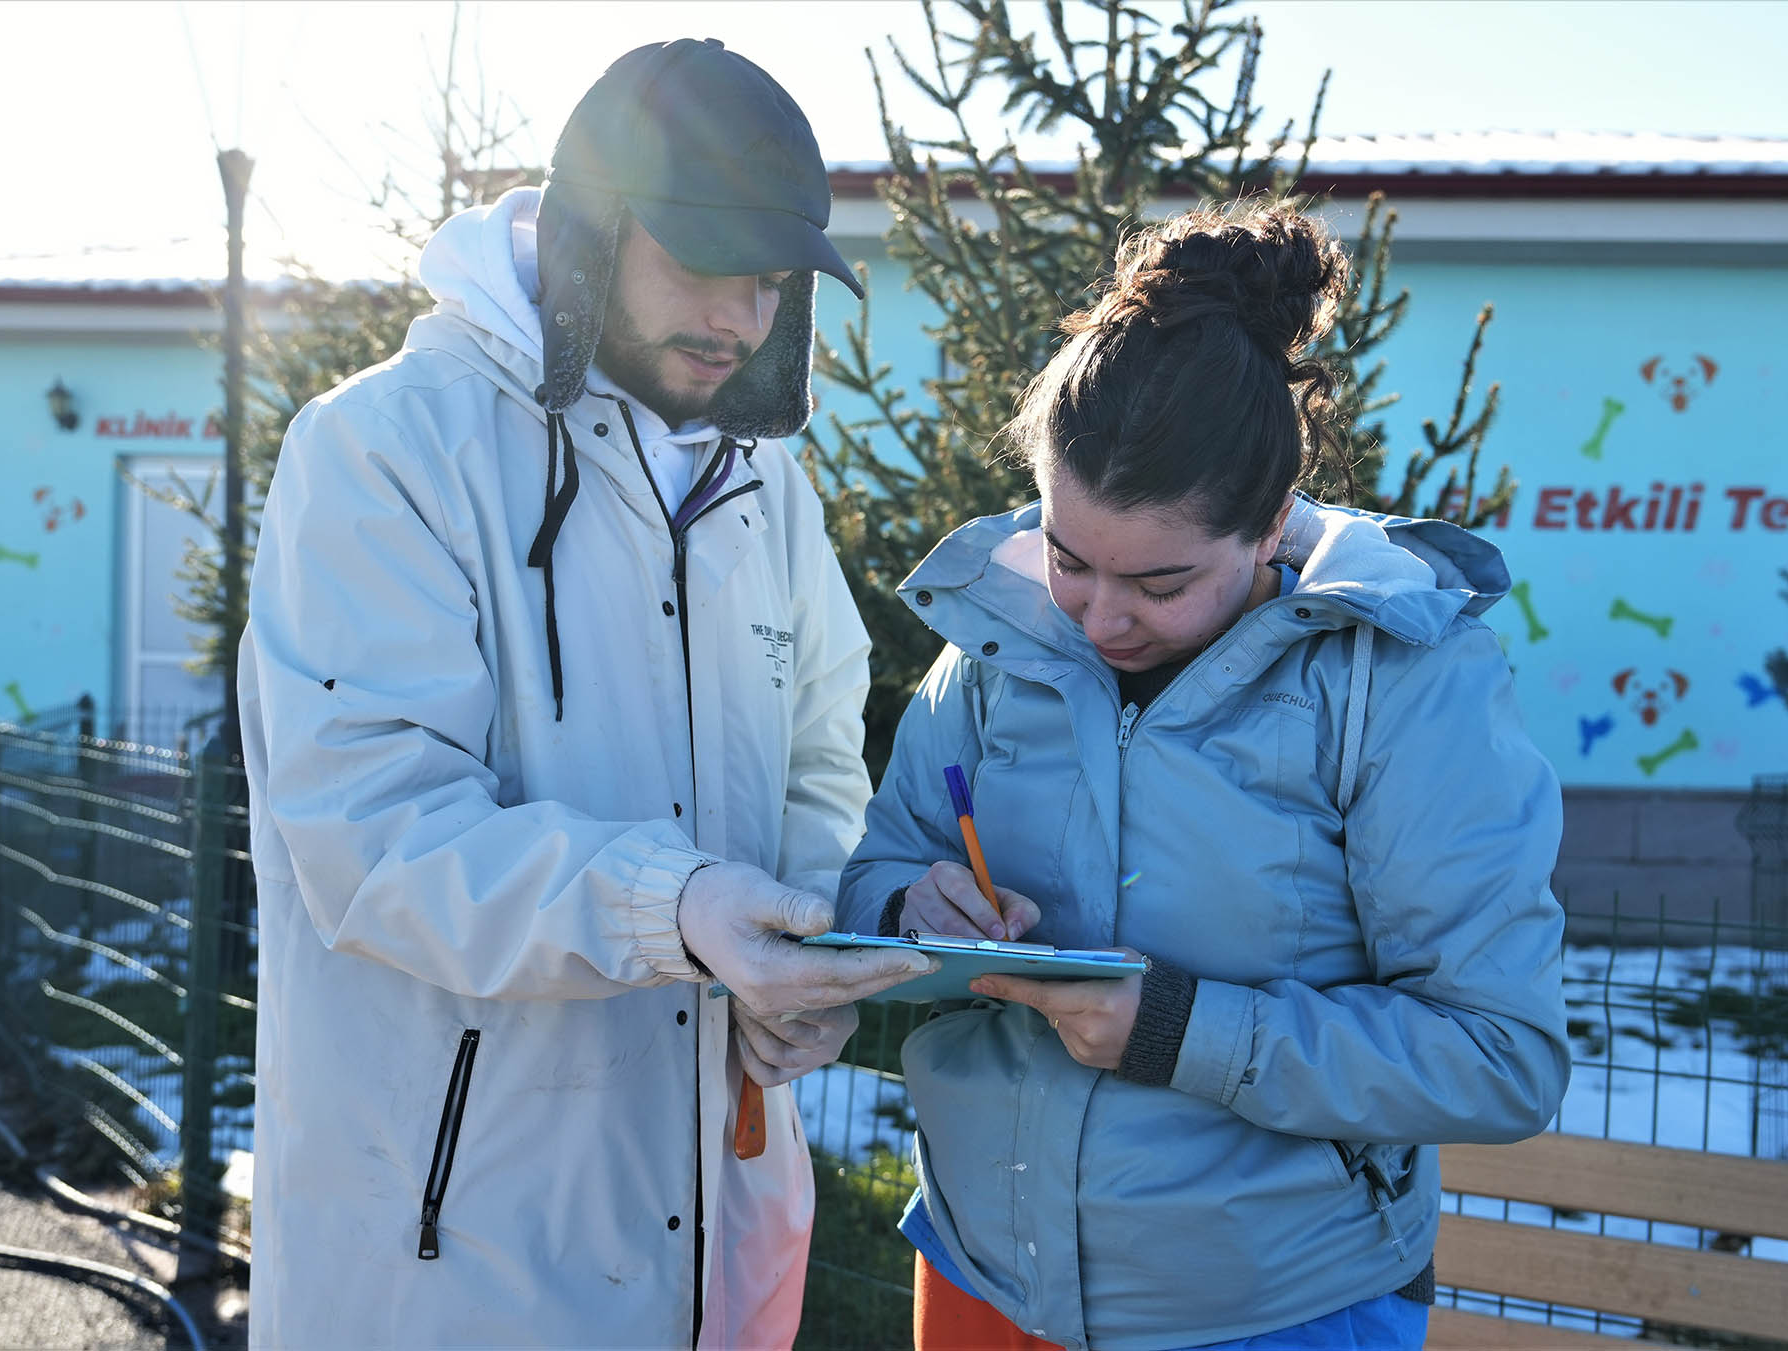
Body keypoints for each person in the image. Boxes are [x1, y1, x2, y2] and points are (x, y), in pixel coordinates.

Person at [237, 38, 935, 1350]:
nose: (740, 317)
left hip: (718, 1240)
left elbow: (818, 766)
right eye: (703, 263)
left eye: (772, 281)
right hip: (452, 1253)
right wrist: (676, 904)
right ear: (587, 233)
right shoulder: (384, 450)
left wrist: (813, 942)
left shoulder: (765, 485)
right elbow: (376, 835)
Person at [838, 201, 1572, 1350]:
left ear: (1272, 523)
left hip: (1270, 1309)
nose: (1101, 618)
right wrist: (904, 905)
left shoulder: (1401, 682)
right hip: (984, 1273)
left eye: (1162, 584)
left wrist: (1176, 1028)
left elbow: (1499, 1056)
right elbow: (878, 868)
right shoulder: (1000, 639)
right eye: (1072, 560)